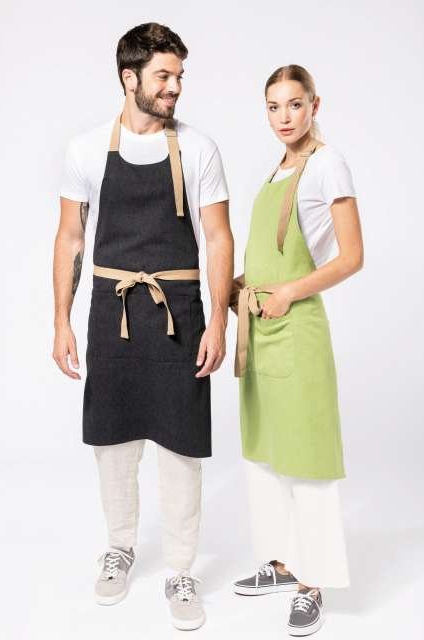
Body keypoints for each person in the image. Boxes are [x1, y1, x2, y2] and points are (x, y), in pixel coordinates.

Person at [52, 22, 233, 631]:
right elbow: (70, 239)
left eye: (179, 75)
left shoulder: (200, 149)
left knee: (182, 446)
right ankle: (120, 547)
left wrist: (218, 322)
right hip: (112, 309)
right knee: (112, 441)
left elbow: (218, 237)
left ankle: (181, 568)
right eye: (164, 75)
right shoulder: (85, 150)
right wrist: (60, 320)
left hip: (180, 312)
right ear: (129, 78)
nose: (175, 86)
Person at [230, 64, 363, 636]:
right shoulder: (276, 170)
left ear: (314, 105)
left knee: (306, 458)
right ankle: (284, 565)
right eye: (273, 107)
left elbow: (351, 256)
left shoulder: (328, 163)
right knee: (267, 453)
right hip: (259, 327)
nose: (283, 117)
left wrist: (287, 292)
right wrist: (241, 287)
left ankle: (314, 585)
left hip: (297, 327)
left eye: (294, 105)